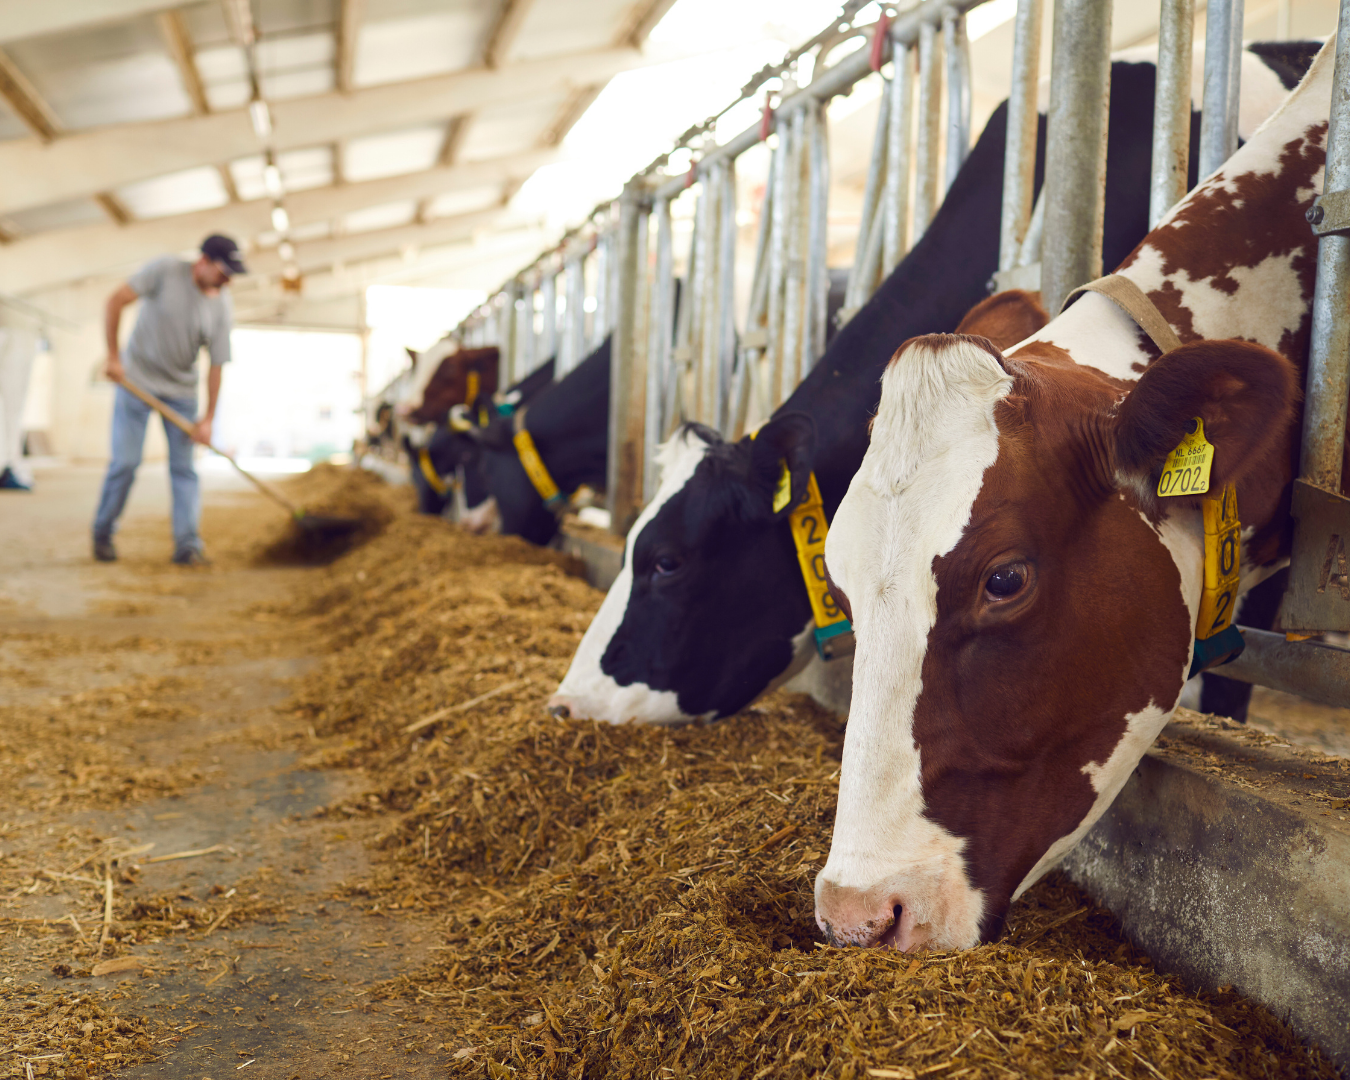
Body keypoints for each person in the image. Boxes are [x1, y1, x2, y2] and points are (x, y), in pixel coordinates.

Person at [91, 234, 245, 565]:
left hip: (181, 394)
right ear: (203, 261)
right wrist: (113, 357)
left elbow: (217, 364)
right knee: (126, 463)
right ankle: (102, 532)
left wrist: (208, 419)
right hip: (136, 381)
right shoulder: (164, 271)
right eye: (223, 272)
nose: (227, 281)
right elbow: (115, 300)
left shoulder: (222, 305)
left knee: (184, 469)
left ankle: (188, 545)